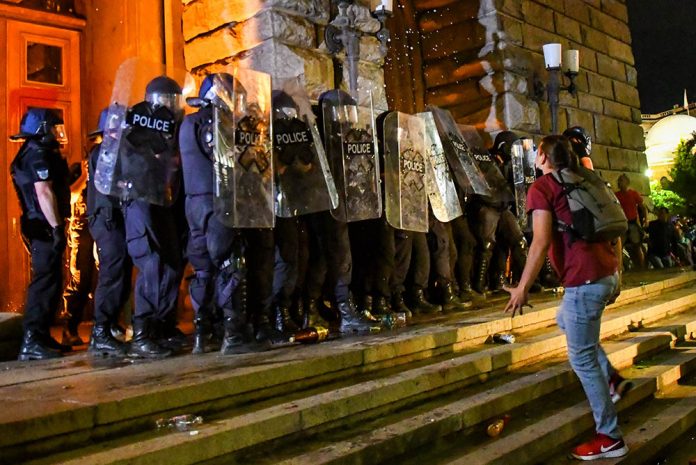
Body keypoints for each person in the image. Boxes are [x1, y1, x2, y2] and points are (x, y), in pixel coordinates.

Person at [503, 135, 629, 460]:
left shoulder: (543, 187)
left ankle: (610, 437)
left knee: (582, 358)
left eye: (536, 152)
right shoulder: (586, 177)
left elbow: (540, 242)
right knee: (565, 321)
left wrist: (522, 287)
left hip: (583, 279)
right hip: (607, 273)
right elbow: (616, 228)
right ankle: (612, 379)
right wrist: (618, 276)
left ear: (542, 155)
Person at [10, 108, 72, 360]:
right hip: (43, 227)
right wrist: (57, 227)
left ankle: (41, 335)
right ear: (42, 129)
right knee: (45, 281)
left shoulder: (34, 153)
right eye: (54, 128)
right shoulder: (37, 155)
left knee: (52, 280)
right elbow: (43, 192)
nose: (58, 134)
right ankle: (32, 339)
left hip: (40, 225)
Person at [86, 109, 131, 357]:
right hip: (107, 220)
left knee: (120, 272)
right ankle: (100, 331)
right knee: (112, 274)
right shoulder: (102, 153)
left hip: (113, 220)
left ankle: (110, 325)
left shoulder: (111, 152)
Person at [615, 174, 647, 269]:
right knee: (619, 247)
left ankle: (642, 267)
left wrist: (646, 219)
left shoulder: (633, 193)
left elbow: (643, 206)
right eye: (619, 181)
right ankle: (620, 269)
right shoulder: (616, 195)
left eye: (622, 180)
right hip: (622, 223)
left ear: (627, 182)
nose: (619, 183)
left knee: (637, 246)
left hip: (632, 223)